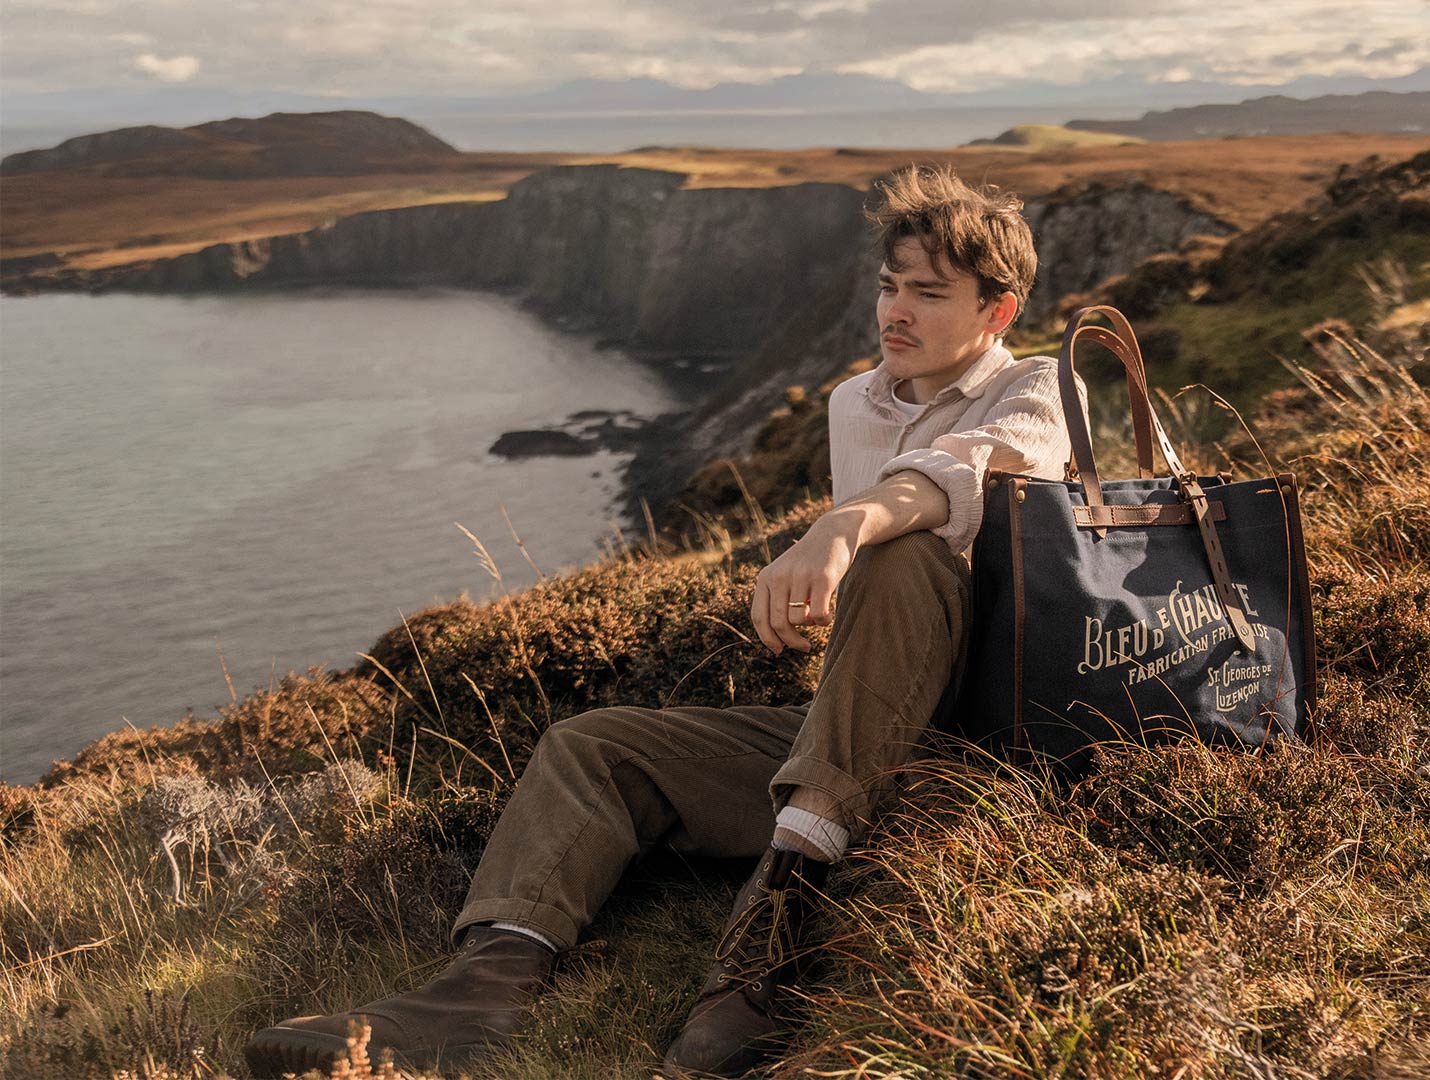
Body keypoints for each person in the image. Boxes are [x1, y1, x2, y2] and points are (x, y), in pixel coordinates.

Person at [244, 162, 1082, 1078]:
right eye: (889, 286)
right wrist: (829, 607)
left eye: (929, 293)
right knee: (590, 749)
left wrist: (846, 527)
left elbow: (967, 477)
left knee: (902, 545)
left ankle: (767, 939)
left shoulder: (1039, 391)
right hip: (856, 740)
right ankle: (478, 993)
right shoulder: (856, 401)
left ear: (997, 313)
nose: (896, 312)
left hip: (978, 751)